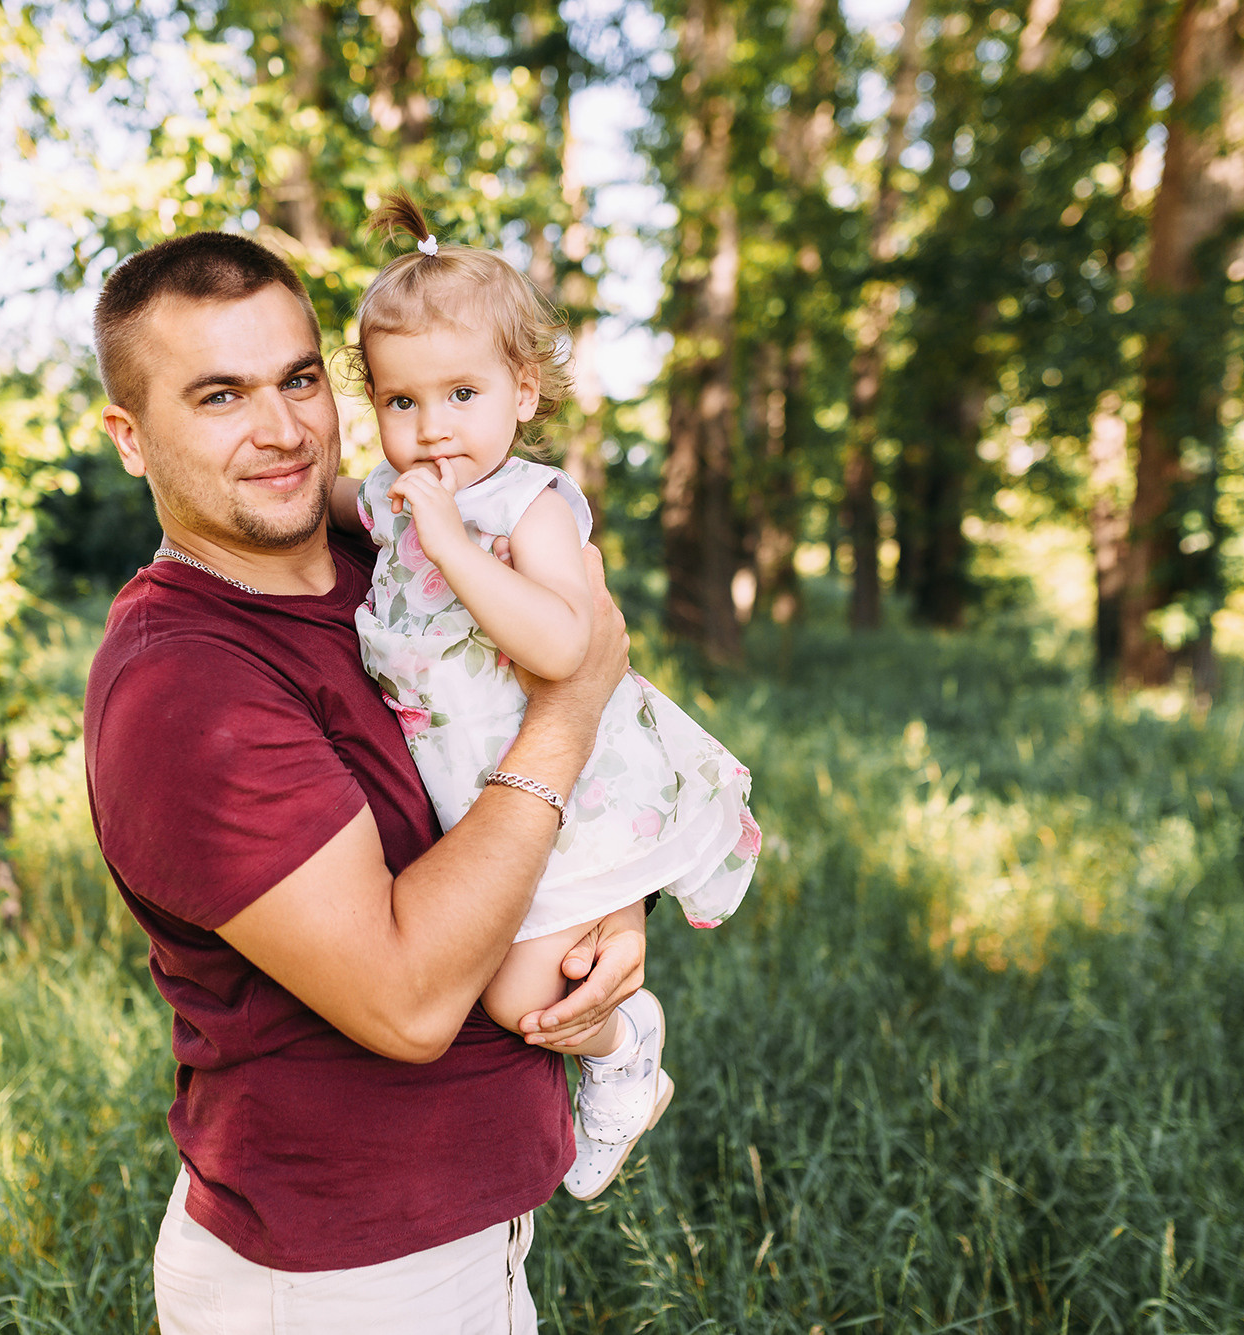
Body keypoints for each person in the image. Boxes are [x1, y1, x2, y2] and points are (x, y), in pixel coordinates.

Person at [83, 228, 646, 1331]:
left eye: (299, 378)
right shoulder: (183, 686)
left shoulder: (389, 566)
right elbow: (405, 1002)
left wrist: (612, 920)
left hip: (464, 1224)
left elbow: (549, 754)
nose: (282, 428)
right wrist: (566, 712)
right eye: (217, 395)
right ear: (131, 438)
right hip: (341, 1274)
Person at [329, 195, 760, 1200]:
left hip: (568, 778)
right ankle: (613, 1039)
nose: (431, 429)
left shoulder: (523, 503)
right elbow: (318, 500)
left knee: (523, 996)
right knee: (492, 971)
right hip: (481, 793)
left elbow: (568, 642)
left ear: (522, 390)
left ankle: (621, 1052)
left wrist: (446, 545)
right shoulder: (401, 500)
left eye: (461, 394)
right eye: (400, 403)